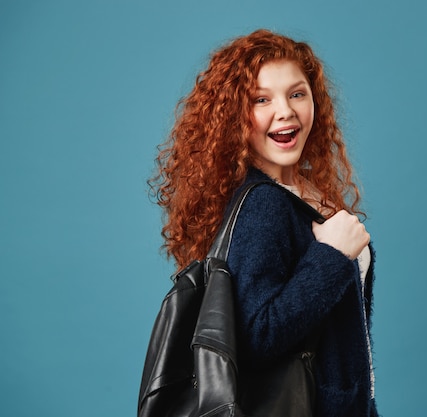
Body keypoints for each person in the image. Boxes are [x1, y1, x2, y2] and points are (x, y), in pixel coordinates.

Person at [150, 29, 379, 417]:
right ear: (236, 116)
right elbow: (256, 337)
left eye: (296, 93)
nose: (285, 111)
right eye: (261, 99)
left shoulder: (308, 194)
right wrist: (332, 255)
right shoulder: (264, 205)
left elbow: (342, 337)